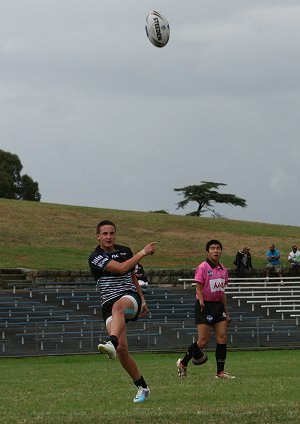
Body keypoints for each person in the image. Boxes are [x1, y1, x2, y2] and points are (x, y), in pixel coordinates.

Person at [88, 220, 157, 403]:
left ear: (115, 235)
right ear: (98, 237)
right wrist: (143, 252)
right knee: (121, 349)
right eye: (105, 234)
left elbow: (132, 276)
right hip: (107, 304)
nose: (109, 237)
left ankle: (110, 341)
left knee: (119, 307)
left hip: (128, 297)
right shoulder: (95, 257)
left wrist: (142, 300)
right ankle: (143, 387)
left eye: (112, 233)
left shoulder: (125, 251)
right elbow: (121, 268)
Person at [176, 239, 235, 379]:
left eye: (218, 248)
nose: (216, 251)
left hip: (218, 306)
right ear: (207, 251)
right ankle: (183, 363)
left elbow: (222, 292)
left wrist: (226, 312)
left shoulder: (223, 270)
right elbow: (198, 287)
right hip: (205, 306)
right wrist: (201, 301)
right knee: (203, 341)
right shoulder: (202, 267)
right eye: (213, 248)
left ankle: (220, 372)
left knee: (222, 337)